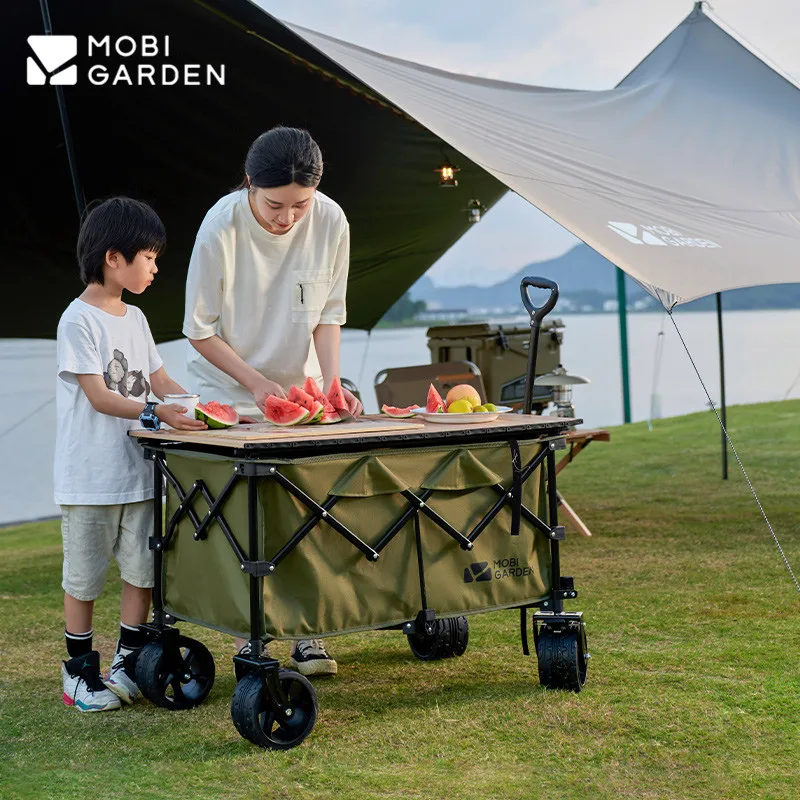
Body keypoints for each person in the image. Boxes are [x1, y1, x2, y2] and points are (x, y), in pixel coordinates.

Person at [183, 126, 361, 677]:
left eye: (299, 205)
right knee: (245, 523)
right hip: (229, 393)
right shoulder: (221, 226)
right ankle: (249, 638)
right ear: (249, 186)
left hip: (303, 394)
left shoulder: (330, 220)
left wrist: (331, 384)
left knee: (313, 513)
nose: (287, 219)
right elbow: (199, 329)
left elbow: (329, 313)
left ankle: (310, 636)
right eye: (275, 205)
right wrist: (257, 386)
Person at [56, 197, 207, 712]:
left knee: (142, 573)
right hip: (90, 477)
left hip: (140, 474)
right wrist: (158, 412)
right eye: (150, 255)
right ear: (113, 258)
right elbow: (99, 397)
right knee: (84, 578)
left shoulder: (136, 318)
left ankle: (128, 660)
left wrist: (197, 405)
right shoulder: (77, 321)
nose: (156, 266)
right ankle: (78, 673)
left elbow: (159, 379)